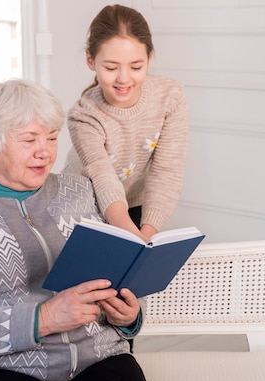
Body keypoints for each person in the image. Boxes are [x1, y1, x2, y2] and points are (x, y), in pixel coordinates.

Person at [0, 79, 149, 381]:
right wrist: (42, 319)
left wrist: (129, 315)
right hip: (1, 369)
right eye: (29, 140)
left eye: (52, 138)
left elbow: (116, 280)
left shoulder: (80, 192)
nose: (44, 152)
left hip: (98, 357)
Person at [64, 4, 188, 243]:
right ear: (91, 60)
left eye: (136, 66)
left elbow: (166, 172)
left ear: (150, 58)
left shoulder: (170, 96)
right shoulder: (83, 115)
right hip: (82, 210)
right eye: (111, 67)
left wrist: (146, 238)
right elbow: (103, 180)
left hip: (132, 205)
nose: (123, 78)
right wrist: (137, 241)